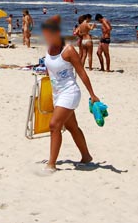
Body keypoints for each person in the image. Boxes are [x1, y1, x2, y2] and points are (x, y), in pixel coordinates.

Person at [41, 16, 100, 172]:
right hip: (57, 94)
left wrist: (92, 95)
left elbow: (81, 72)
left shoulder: (68, 50)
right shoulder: (48, 49)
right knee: (72, 127)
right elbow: (50, 71)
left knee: (54, 126)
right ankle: (86, 156)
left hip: (70, 92)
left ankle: (51, 164)